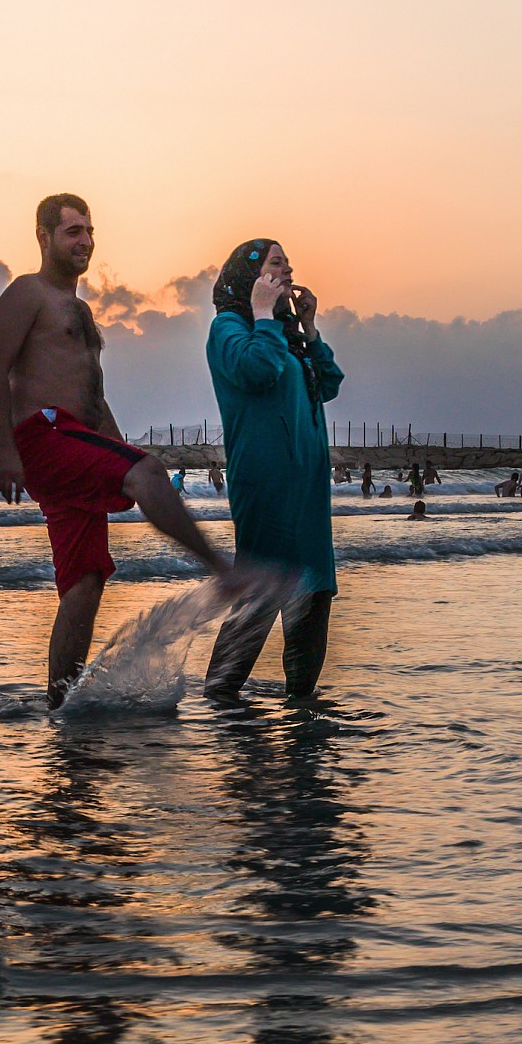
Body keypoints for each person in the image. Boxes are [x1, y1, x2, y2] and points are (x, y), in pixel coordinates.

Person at [0, 193, 245, 708]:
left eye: (89, 230)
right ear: (44, 238)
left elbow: (94, 398)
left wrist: (119, 448)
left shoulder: (78, 310)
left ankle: (61, 706)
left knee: (84, 582)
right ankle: (222, 568)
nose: (85, 241)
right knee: (146, 472)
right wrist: (5, 450)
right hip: (45, 436)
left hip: (77, 438)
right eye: (72, 231)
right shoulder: (27, 293)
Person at [201, 239, 343, 699]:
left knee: (314, 591)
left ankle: (302, 707)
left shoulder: (286, 335)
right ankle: (221, 698)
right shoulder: (228, 328)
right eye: (275, 263)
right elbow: (256, 370)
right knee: (262, 589)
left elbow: (331, 385)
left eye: (288, 263)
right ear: (251, 276)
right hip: (266, 483)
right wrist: (263, 314)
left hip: (307, 488)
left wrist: (309, 327)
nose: (287, 270)